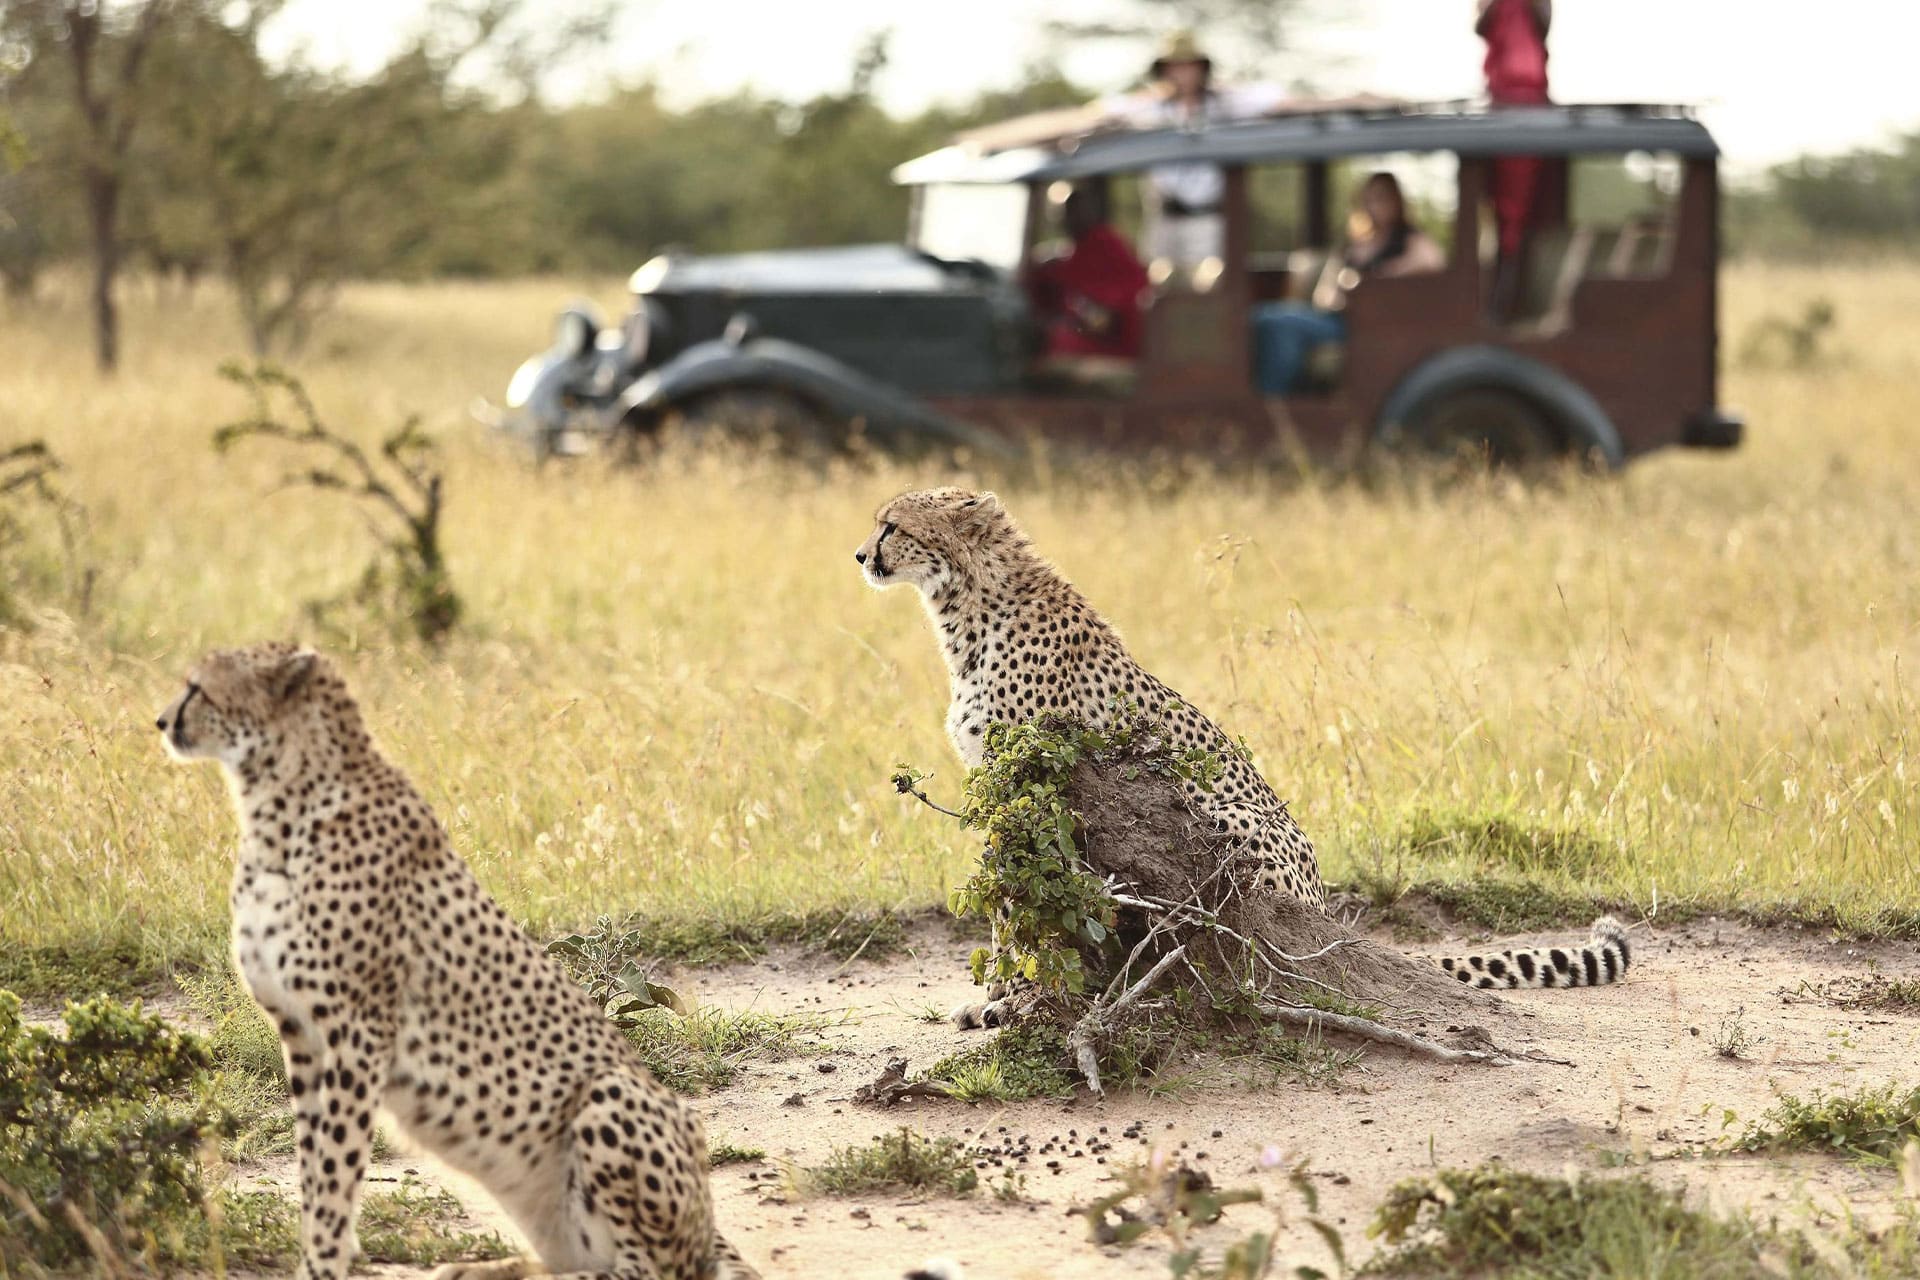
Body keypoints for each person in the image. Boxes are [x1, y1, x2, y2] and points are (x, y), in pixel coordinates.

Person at [1100, 31, 1287, 267]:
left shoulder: (1225, 104)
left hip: (1207, 219)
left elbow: (1275, 102)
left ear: (1202, 69)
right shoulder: (1150, 109)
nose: (1181, 74)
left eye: (1188, 66)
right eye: (1174, 67)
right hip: (1163, 218)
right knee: (1156, 284)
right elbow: (1101, 113)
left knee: (1208, 285)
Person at [1251, 173, 1444, 395]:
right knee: (1267, 317)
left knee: (1275, 321)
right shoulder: (1357, 247)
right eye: (1369, 199)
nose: (1374, 206)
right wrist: (1343, 291)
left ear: (1396, 201)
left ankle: (1273, 402)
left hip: (1374, 325)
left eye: (1381, 198)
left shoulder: (1410, 241)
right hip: (1342, 317)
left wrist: (1385, 276)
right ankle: (1275, 400)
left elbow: (1433, 260)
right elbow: (1326, 295)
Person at [1479, 0, 1553, 312]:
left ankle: (1505, 306)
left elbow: (1544, 24)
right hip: (1499, 96)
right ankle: (1496, 300)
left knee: (1515, 214)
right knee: (1496, 209)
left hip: (1525, 96)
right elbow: (1480, 26)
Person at [1028, 184, 1150, 360]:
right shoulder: (1072, 255)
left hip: (1117, 341)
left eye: (1074, 212)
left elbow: (1125, 294)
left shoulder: (1106, 243)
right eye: (1066, 213)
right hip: (1092, 329)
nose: (1069, 219)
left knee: (1058, 341)